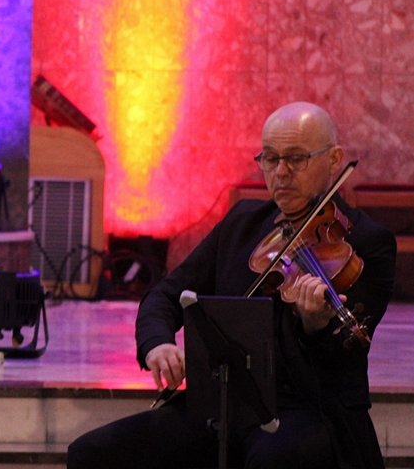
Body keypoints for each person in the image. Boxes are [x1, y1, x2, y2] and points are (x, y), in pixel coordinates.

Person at [68, 102, 396, 469]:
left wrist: (314, 325)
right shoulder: (242, 224)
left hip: (310, 409)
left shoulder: (366, 242)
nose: (281, 172)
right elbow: (165, 295)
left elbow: (343, 355)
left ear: (334, 160)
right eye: (270, 159)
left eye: (296, 159)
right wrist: (158, 344)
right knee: (91, 453)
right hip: (224, 404)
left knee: (272, 461)